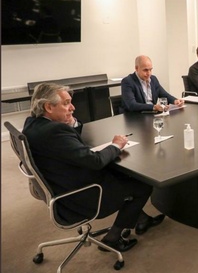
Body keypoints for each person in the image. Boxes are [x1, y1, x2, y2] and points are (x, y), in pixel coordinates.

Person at [22, 83, 165, 253]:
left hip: (59, 183)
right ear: (48, 107)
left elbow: (70, 143)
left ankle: (141, 218)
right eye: (66, 103)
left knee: (121, 174)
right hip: (79, 195)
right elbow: (95, 161)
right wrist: (116, 145)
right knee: (141, 185)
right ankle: (113, 237)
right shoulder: (55, 132)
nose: (73, 107)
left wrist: (71, 122)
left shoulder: (32, 124)